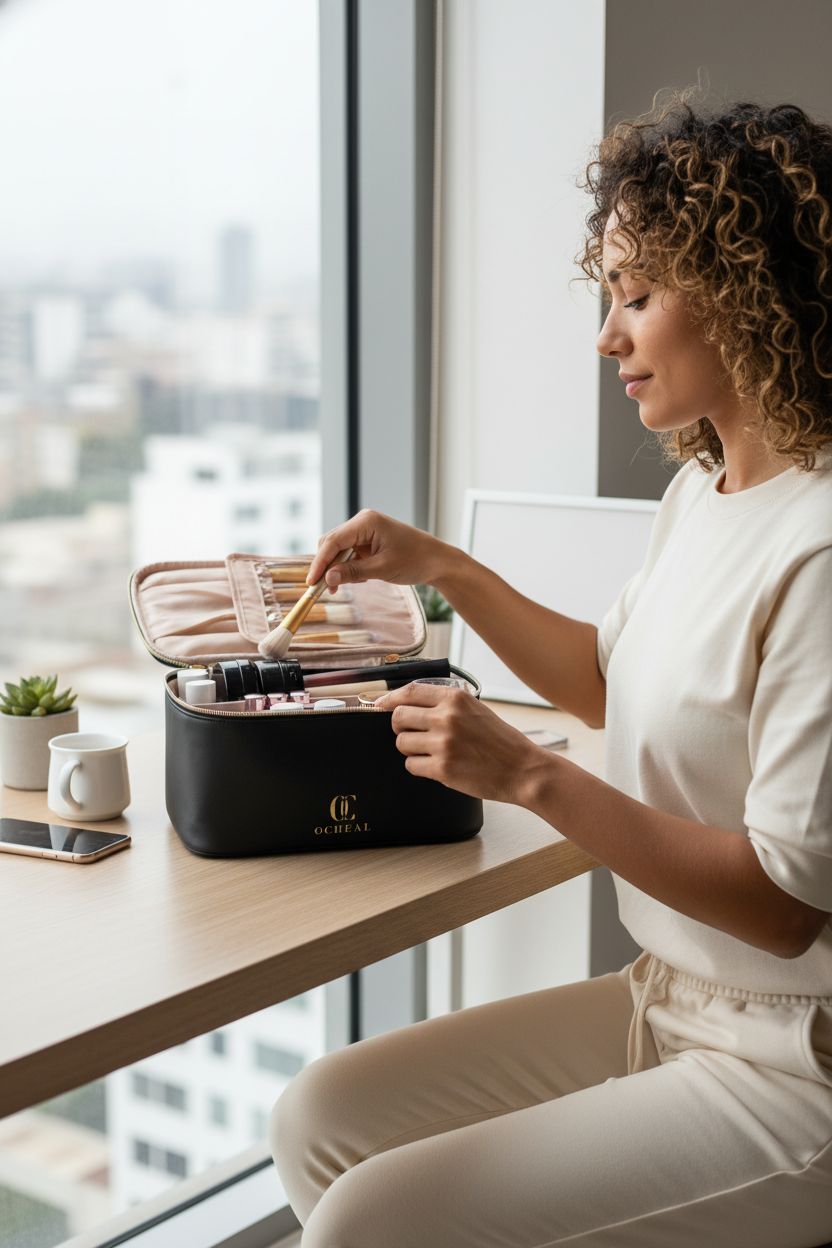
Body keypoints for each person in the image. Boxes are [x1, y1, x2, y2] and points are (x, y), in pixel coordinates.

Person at [270, 89, 832, 1247]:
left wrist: (532, 779)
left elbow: (782, 908)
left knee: (366, 1222)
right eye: (606, 297)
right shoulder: (708, 490)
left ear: (745, 288)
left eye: (636, 295)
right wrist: (444, 569)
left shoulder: (822, 547)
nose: (608, 335)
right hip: (665, 1000)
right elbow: (611, 681)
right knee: (320, 1119)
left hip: (793, 1060)